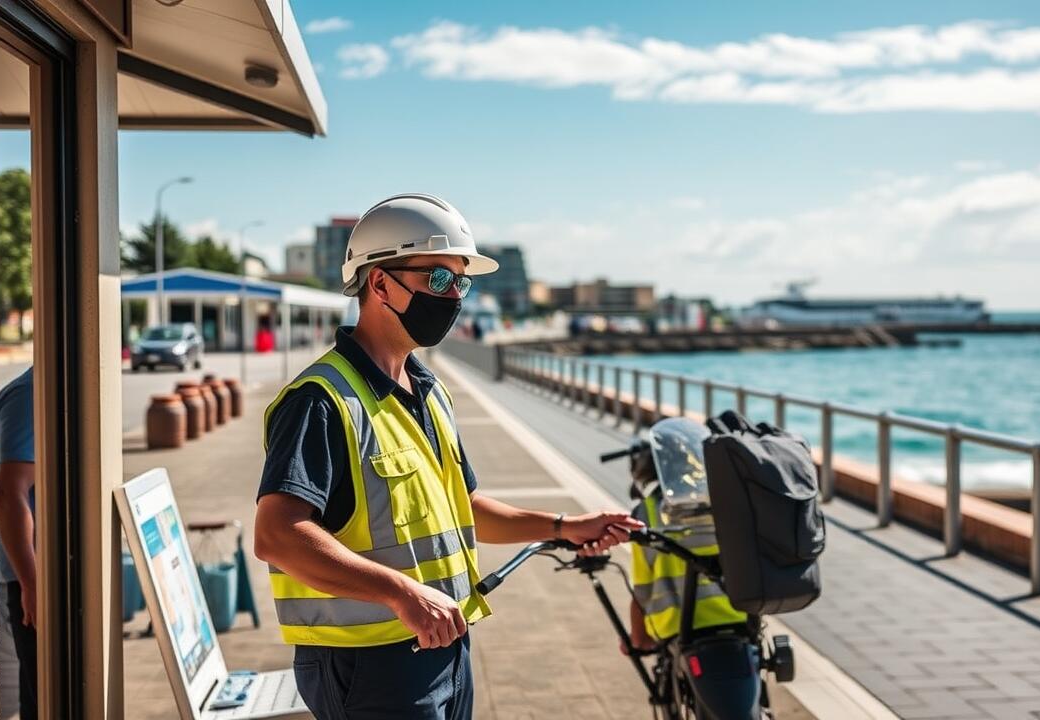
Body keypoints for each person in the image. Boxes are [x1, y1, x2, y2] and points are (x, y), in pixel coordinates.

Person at [253, 193, 642, 719]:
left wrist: (565, 526)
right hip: (371, 667)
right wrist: (402, 594)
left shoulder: (429, 391)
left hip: (444, 648)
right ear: (379, 283)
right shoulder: (320, 400)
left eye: (462, 281)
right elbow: (277, 535)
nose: (454, 295)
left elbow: (465, 509)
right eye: (438, 278)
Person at [626, 469, 747, 655]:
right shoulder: (727, 499)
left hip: (675, 629)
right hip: (740, 619)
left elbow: (642, 591)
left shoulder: (645, 513)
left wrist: (638, 638)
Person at [0, 366, 38, 720]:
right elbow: (9, 493)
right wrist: (32, 583)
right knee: (45, 700)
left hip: (48, 577)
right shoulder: (29, 395)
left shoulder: (69, 389)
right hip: (36, 582)